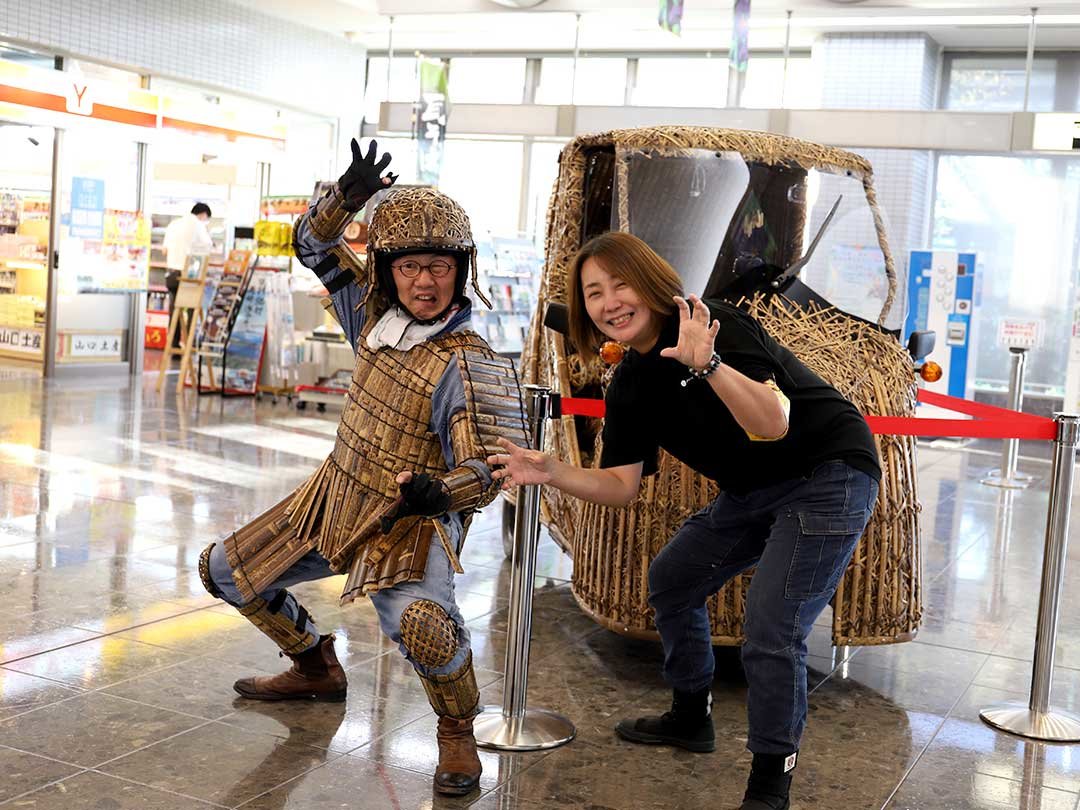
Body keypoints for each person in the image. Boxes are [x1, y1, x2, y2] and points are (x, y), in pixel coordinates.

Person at [489, 231, 880, 810]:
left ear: (651, 282)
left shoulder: (712, 324)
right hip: (753, 488)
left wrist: (709, 364)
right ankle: (691, 714)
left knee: (772, 629)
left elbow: (772, 423)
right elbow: (620, 486)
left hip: (829, 471)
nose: (609, 302)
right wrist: (550, 470)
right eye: (593, 293)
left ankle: (771, 779)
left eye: (621, 284)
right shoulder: (630, 382)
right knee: (673, 578)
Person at [199, 140, 527, 797]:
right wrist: (343, 199)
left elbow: (492, 465)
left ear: (462, 271)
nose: (425, 282)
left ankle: (456, 732)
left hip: (413, 520)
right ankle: (314, 663)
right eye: (410, 267)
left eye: (438, 266)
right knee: (225, 570)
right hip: (336, 496)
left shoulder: (470, 359)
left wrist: (443, 491)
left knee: (425, 628)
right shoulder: (374, 318)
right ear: (389, 270)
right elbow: (312, 248)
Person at [163, 202, 213, 348]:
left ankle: (173, 343)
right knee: (192, 309)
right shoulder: (198, 225)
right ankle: (190, 343)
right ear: (203, 215)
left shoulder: (173, 224)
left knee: (175, 310)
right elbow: (207, 248)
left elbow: (164, 251)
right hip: (189, 274)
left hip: (171, 274)